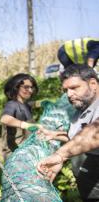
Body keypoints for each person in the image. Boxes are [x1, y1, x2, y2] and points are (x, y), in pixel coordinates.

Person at [37, 64, 99, 201]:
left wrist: (60, 155)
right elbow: (80, 137)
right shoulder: (82, 107)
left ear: (93, 84)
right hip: (88, 182)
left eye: (74, 88)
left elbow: (95, 133)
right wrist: (56, 135)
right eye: (66, 90)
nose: (69, 94)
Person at [0, 73, 40, 159]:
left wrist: (44, 103)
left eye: (31, 87)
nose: (30, 90)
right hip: (15, 156)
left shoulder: (25, 105)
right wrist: (26, 125)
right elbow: (5, 118)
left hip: (27, 152)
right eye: (26, 87)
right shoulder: (12, 104)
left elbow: (33, 104)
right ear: (16, 87)